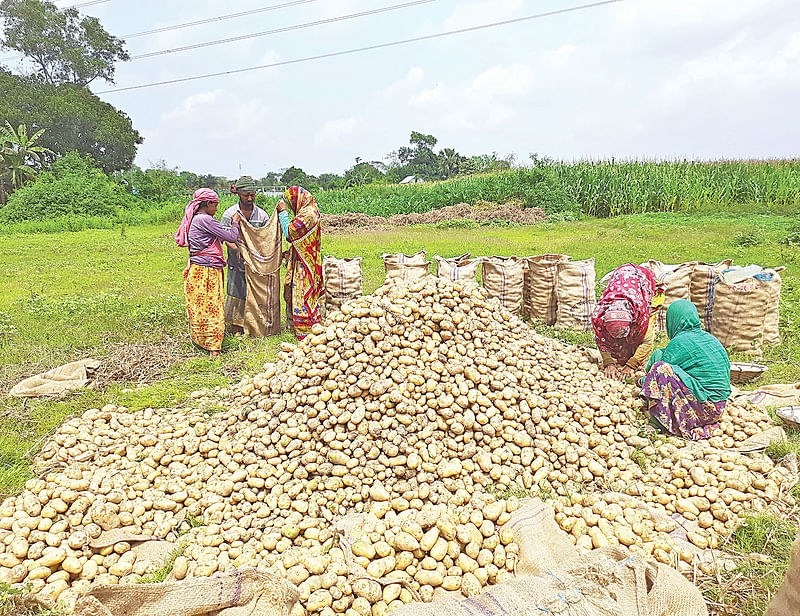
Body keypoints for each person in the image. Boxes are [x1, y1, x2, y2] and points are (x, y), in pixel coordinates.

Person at [642, 300, 731, 440]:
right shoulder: (710, 339)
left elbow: (659, 378)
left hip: (704, 410)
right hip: (719, 408)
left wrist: (641, 381)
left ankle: (658, 423)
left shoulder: (680, 342)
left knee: (661, 368)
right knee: (661, 357)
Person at [175, 188, 241, 356]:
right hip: (208, 270)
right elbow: (231, 236)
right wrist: (235, 223)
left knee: (199, 306)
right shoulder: (205, 220)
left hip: (197, 268)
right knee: (212, 307)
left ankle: (201, 341)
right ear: (208, 203)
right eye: (215, 205)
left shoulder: (194, 219)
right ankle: (214, 348)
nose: (217, 209)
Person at [592, 263, 663, 380]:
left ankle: (633, 356)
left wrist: (632, 365)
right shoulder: (599, 317)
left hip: (640, 279)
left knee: (639, 335)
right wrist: (609, 362)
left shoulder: (641, 314)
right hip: (620, 280)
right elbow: (601, 340)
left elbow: (647, 342)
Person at [221, 176, 269, 334]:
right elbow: (224, 237)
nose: (249, 198)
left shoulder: (261, 215)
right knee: (237, 292)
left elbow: (266, 238)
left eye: (252, 195)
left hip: (256, 263)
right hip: (236, 262)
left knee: (255, 293)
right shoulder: (229, 214)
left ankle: (254, 325)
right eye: (246, 195)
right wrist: (237, 250)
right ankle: (236, 327)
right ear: (238, 194)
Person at [276, 186, 323, 340]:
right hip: (306, 256)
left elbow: (290, 234)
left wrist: (283, 213)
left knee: (302, 291)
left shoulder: (307, 214)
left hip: (305, 262)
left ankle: (305, 327)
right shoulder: (310, 209)